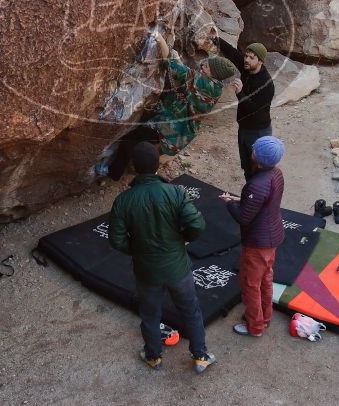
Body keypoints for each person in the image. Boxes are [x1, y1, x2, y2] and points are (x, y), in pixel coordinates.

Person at [108, 141, 217, 373]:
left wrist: (137, 250)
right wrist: (182, 240)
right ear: (158, 165)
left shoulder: (123, 201)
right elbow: (197, 225)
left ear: (134, 167)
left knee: (150, 314)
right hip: (178, 267)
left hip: (147, 271)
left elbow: (116, 239)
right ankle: (200, 355)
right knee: (191, 311)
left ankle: (153, 356)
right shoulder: (175, 192)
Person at [103, 32, 241, 181]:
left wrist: (160, 38)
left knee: (130, 140)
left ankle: (113, 173)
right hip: (182, 131)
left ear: (213, 74)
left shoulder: (200, 83)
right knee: (145, 145)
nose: (202, 66)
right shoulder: (216, 87)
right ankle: (147, 174)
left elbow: (174, 64)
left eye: (206, 67)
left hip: (169, 128)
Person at [219, 136, 285, 337]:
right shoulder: (277, 173)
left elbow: (244, 217)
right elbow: (264, 201)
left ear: (257, 156)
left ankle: (255, 327)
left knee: (250, 284)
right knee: (266, 278)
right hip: (273, 235)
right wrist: (240, 199)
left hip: (258, 242)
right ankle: (265, 317)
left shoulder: (257, 184)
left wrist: (229, 203)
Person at [215, 34, 275, 181]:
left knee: (259, 168)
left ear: (260, 61)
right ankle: (250, 196)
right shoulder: (247, 68)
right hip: (244, 128)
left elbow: (254, 110)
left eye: (251, 57)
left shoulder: (266, 84)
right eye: (246, 56)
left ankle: (258, 197)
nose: (246, 60)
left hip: (258, 131)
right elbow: (232, 53)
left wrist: (240, 92)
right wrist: (215, 38)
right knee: (247, 167)